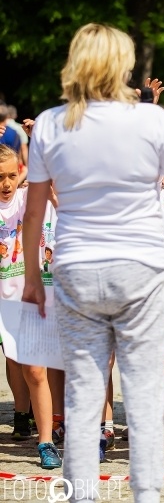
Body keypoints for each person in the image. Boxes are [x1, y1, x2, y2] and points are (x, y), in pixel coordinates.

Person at [22, 23, 164, 503]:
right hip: (141, 265)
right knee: (143, 394)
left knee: (83, 396)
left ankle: (81, 495)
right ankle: (146, 495)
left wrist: (32, 279)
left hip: (77, 265)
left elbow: (35, 212)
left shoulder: (50, 123)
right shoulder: (149, 120)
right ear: (120, 65)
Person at [0, 146, 61, 469]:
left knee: (34, 370)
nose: (7, 183)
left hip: (21, 298)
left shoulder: (27, 199)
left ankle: (46, 441)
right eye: (0, 177)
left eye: (12, 175)